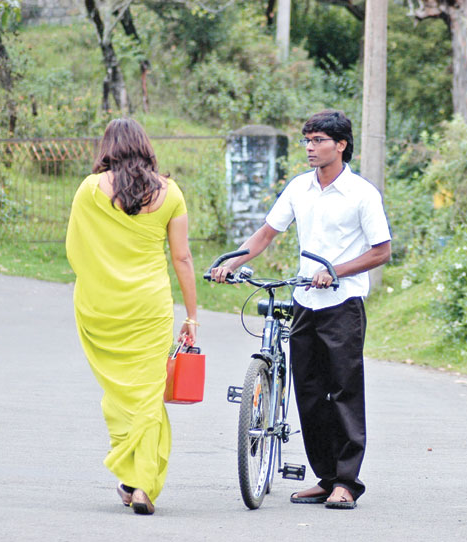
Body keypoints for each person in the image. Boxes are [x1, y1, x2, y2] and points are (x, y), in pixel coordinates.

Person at [211, 109, 391, 509]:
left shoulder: (362, 194)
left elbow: (382, 251)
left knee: (343, 391)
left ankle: (347, 482)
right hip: (304, 303)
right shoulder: (298, 188)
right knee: (308, 393)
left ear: (341, 145)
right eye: (307, 140)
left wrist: (336, 271)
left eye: (318, 140)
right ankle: (325, 478)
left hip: (342, 304)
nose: (310, 148)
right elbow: (266, 234)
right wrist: (231, 263)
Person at [66, 118, 198, 515]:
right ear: (146, 147)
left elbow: (75, 248)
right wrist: (192, 316)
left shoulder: (90, 190)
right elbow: (182, 258)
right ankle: (142, 485)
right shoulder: (170, 192)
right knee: (148, 392)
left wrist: (99, 279)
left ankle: (131, 476)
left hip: (101, 305)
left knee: (118, 393)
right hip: (149, 306)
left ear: (107, 148)